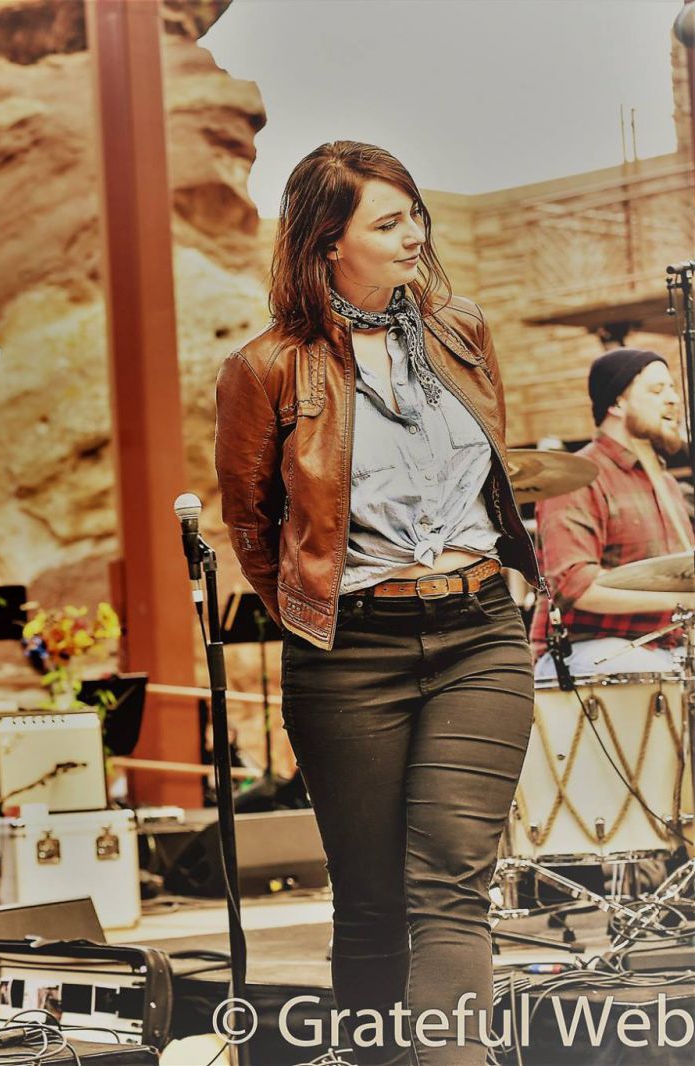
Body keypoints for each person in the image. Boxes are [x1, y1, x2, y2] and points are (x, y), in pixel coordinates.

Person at [215, 141, 541, 1066]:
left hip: (480, 633)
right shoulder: (266, 367)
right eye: (388, 222)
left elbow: (490, 471)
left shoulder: (461, 331)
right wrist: (318, 614)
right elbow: (251, 524)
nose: (414, 236)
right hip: (350, 652)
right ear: (328, 242)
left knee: (451, 886)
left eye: (416, 215)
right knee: (370, 900)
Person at [531, 348, 693, 679]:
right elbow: (576, 586)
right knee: (658, 674)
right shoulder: (577, 477)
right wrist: (683, 600)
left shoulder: (665, 483)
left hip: (664, 646)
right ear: (616, 404)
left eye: (672, 388)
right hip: (587, 649)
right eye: (657, 390)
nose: (673, 399)